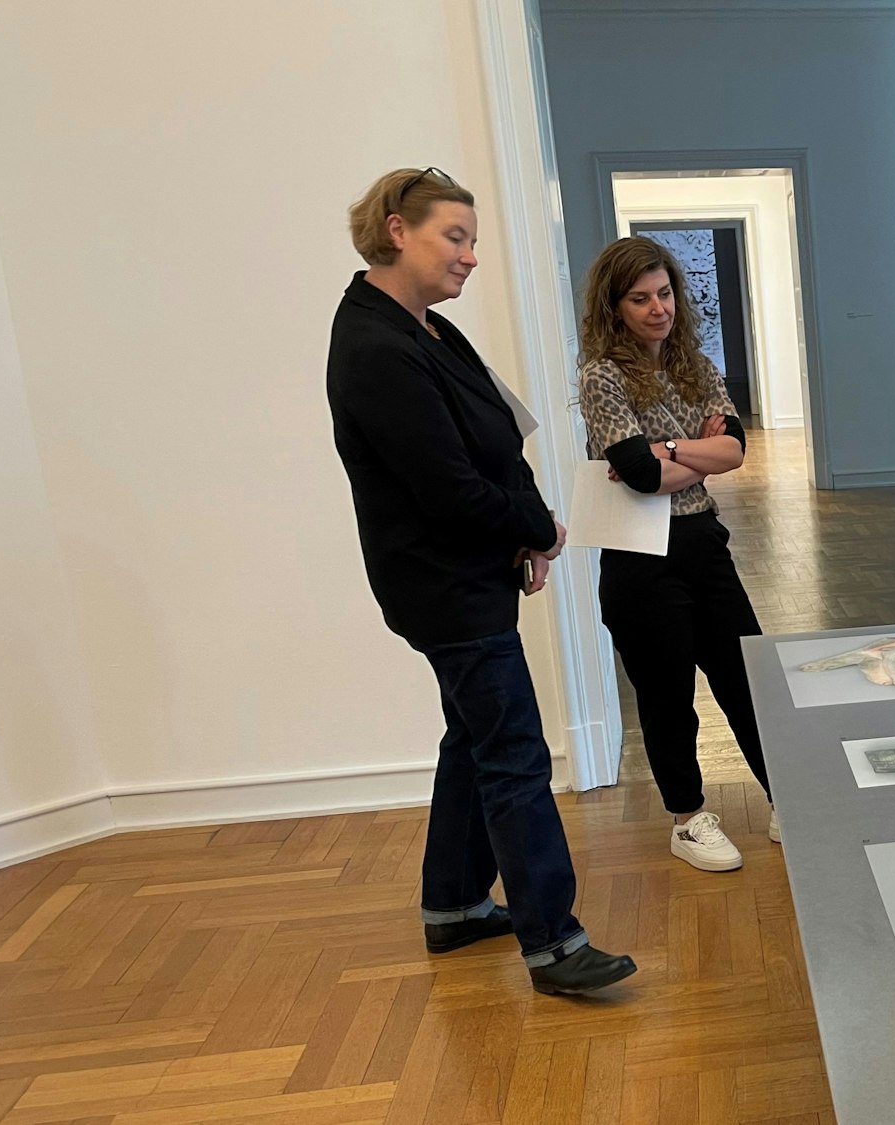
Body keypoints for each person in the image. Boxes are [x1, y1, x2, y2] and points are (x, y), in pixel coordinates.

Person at [326, 167, 635, 995]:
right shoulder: (374, 344)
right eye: (453, 238)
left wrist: (528, 528)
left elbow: (501, 435)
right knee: (512, 750)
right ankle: (553, 943)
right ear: (398, 231)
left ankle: (454, 904)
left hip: (473, 569)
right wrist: (535, 529)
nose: (469, 258)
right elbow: (447, 485)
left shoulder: (428, 330)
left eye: (472, 242)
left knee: (472, 736)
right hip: (442, 584)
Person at [575, 236, 776, 871]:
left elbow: (737, 450)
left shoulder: (696, 365)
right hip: (639, 555)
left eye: (664, 294)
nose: (657, 308)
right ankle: (688, 820)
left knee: (746, 680)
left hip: (701, 542)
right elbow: (637, 475)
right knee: (667, 696)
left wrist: (668, 450)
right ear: (615, 308)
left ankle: (787, 797)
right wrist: (693, 448)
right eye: (640, 299)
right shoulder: (602, 378)